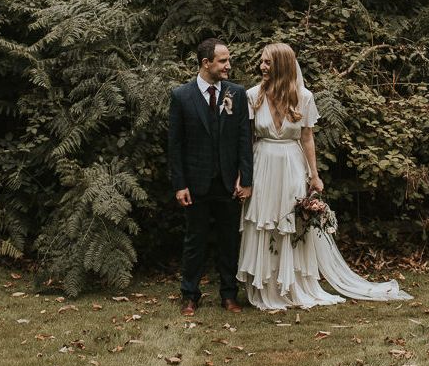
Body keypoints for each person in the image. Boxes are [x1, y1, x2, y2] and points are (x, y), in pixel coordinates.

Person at [237, 42, 411, 310]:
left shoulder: (304, 97)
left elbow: (307, 138)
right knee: (264, 223)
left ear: (282, 65)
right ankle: (266, 286)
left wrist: (314, 175)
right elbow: (246, 140)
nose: (262, 66)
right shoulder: (252, 95)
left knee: (292, 223)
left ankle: (292, 286)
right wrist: (243, 176)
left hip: (292, 166)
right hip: (262, 165)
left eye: (268, 62)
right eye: (261, 61)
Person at [168, 38, 253, 315]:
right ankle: (190, 295)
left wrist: (246, 179)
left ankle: (229, 294)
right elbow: (175, 144)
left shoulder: (236, 94)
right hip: (196, 183)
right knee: (195, 241)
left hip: (228, 182)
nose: (229, 65)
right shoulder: (181, 96)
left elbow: (244, 139)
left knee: (230, 241)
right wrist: (180, 184)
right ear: (206, 63)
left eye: (228, 60)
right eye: (223, 61)